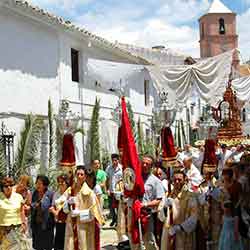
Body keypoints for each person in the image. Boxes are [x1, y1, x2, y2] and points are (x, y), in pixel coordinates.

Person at [63, 165, 104, 250]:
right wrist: (67, 204)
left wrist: (79, 213)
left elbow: (94, 214)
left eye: (81, 174)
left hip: (84, 229)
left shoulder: (89, 193)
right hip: (71, 227)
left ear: (85, 176)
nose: (79, 176)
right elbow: (63, 209)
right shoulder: (70, 191)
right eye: (77, 174)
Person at [158, 169, 198, 250]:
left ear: (184, 180)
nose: (177, 182)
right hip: (168, 233)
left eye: (179, 180)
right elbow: (160, 216)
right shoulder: (167, 195)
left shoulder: (190, 196)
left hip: (183, 233)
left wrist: (180, 227)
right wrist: (165, 208)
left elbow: (194, 217)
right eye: (175, 179)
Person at [132, 155, 164, 250]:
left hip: (147, 215)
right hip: (135, 213)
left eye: (147, 164)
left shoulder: (155, 181)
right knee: (135, 238)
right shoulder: (136, 178)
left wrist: (145, 204)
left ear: (152, 166)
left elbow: (159, 200)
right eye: (143, 163)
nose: (145, 165)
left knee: (148, 240)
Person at [0, 177, 31, 249]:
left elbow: (21, 211)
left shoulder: (18, 197)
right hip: (3, 229)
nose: (8, 187)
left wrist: (24, 223)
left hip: (17, 228)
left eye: (11, 185)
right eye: (6, 186)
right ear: (2, 187)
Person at [31, 175, 54, 250]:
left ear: (45, 185)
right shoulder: (35, 193)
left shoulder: (50, 194)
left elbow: (51, 207)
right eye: (37, 183)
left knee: (47, 246)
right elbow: (32, 204)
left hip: (47, 225)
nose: (37, 185)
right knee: (37, 246)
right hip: (36, 224)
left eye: (40, 183)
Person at [49, 174, 70, 250]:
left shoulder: (70, 192)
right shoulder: (56, 194)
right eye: (59, 182)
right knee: (58, 245)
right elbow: (52, 207)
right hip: (58, 222)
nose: (60, 183)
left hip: (68, 222)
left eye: (62, 182)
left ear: (66, 182)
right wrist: (55, 212)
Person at [105, 153, 123, 226]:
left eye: (116, 160)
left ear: (118, 160)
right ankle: (114, 219)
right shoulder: (108, 168)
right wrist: (107, 189)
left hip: (119, 191)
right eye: (113, 160)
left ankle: (118, 221)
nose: (114, 162)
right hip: (111, 190)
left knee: (119, 207)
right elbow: (107, 179)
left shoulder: (121, 168)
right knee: (111, 207)